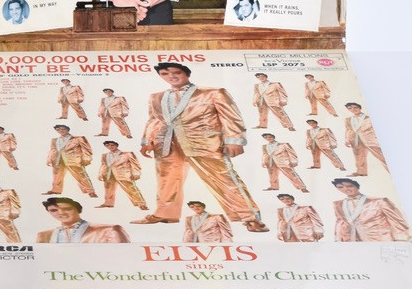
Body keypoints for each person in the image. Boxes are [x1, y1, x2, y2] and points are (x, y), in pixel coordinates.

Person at [132, 63, 267, 231]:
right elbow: (154, 120)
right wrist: (147, 141)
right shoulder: (156, 97)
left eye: (176, 72)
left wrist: (234, 140)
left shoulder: (213, 92)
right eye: (165, 74)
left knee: (224, 180)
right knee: (166, 180)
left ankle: (250, 217)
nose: (171, 76)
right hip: (167, 143)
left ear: (187, 74)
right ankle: (165, 213)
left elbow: (231, 117)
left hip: (205, 143)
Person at [332, 178, 410, 242]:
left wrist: (401, 239)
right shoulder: (337, 204)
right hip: (352, 240)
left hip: (380, 239)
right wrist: (338, 238)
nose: (346, 189)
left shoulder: (380, 201)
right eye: (340, 187)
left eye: (350, 186)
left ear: (357, 186)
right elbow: (339, 222)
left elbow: (397, 220)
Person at [36, 196, 130, 243]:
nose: (61, 213)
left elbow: (123, 256)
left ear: (79, 210)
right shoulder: (44, 235)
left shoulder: (110, 230)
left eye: (67, 209)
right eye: (53, 210)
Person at [44, 125, 97, 198]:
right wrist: (49, 159)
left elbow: (86, 149)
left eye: (63, 129)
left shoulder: (78, 138)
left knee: (80, 176)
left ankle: (90, 191)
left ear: (67, 130)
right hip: (58, 160)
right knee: (57, 176)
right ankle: (56, 190)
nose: (61, 131)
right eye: (58, 129)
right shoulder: (54, 140)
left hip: (73, 159)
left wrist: (86, 159)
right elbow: (53, 149)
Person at [97, 141, 147, 210]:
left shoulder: (127, 154)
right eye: (108, 145)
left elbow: (135, 163)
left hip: (123, 174)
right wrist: (100, 174)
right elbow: (103, 165)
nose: (110, 147)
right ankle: (108, 203)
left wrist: (136, 173)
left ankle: (141, 204)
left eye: (112, 145)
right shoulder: (104, 155)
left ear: (116, 145)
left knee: (131, 189)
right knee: (108, 190)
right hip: (109, 174)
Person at [344, 102, 388, 176]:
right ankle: (361, 172)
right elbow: (348, 130)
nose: (353, 109)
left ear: (360, 108)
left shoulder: (368, 118)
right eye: (350, 108)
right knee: (358, 157)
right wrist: (347, 140)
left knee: (381, 156)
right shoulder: (348, 119)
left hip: (370, 139)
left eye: (355, 107)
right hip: (356, 140)